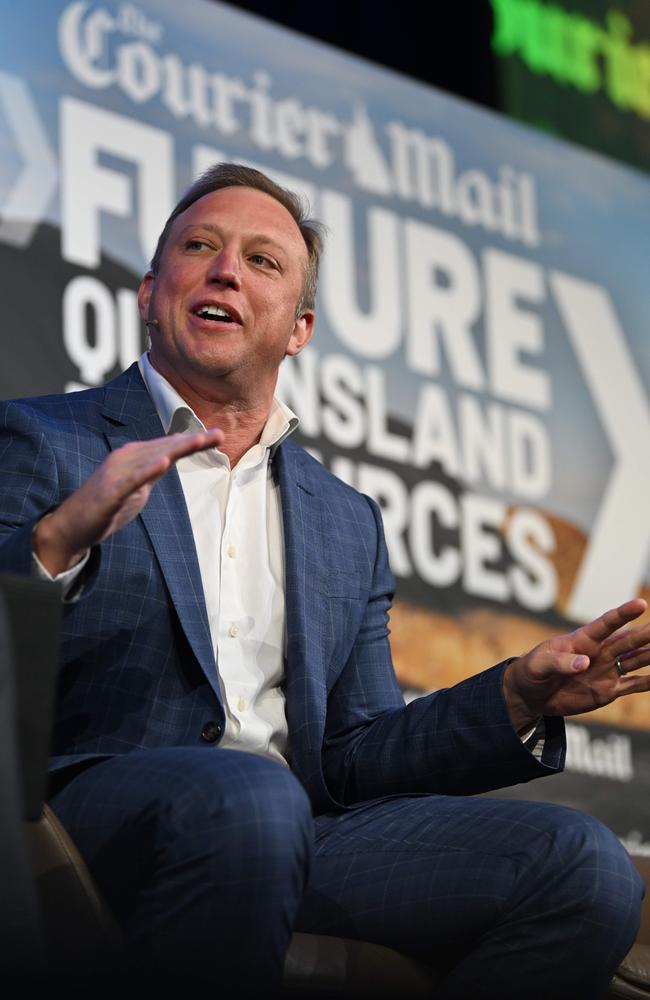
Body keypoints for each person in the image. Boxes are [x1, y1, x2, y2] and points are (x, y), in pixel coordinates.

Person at [1, 162, 649, 999]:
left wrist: (517, 696)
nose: (225, 269)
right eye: (198, 247)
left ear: (299, 328)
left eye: (262, 260)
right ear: (149, 291)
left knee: (582, 866)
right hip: (88, 814)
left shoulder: (345, 518)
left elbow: (355, 754)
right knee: (250, 801)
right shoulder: (45, 437)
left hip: (299, 831)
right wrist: (59, 541)